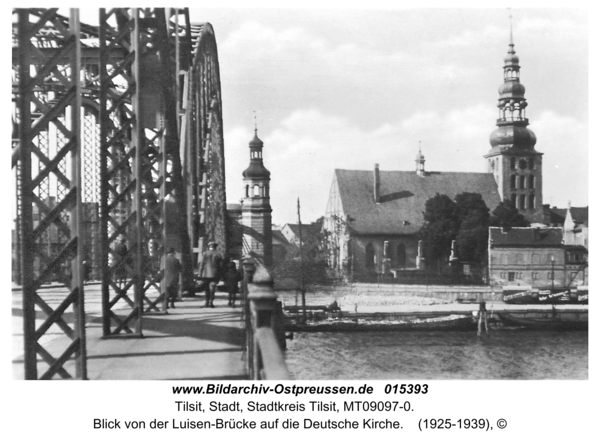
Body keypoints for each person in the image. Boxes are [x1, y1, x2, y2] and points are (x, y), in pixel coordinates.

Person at [199, 242, 222, 308]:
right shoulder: (218, 254)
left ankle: (206, 302)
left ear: (209, 247)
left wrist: (200, 273)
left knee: (206, 289)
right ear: (215, 247)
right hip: (215, 274)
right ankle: (211, 302)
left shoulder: (205, 253)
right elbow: (221, 265)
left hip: (206, 274)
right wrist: (221, 275)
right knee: (213, 288)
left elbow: (202, 264)